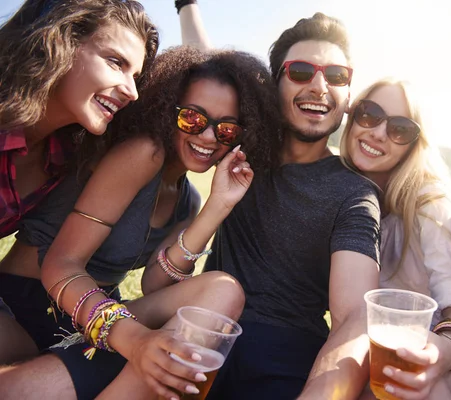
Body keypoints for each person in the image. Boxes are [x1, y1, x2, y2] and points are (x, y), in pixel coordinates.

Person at [0, 47, 282, 400]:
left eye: (225, 129)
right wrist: (134, 340)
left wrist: (217, 205)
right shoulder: (144, 153)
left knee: (222, 290)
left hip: (95, 316)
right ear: (167, 111)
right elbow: (60, 264)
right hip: (28, 303)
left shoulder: (187, 199)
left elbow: (154, 283)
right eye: (193, 119)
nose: (209, 137)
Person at [177, 3, 381, 399]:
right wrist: (186, 5)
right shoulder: (244, 145)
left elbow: (354, 317)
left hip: (285, 358)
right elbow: (209, 61)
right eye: (302, 72)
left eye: (337, 76)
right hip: (203, 332)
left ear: (348, 94)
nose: (320, 87)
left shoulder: (355, 193)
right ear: (274, 85)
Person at [0, 0, 158, 366]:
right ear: (61, 42)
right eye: (117, 62)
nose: (131, 91)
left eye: (136, 76)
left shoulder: (63, 154)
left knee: (29, 355)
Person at [339, 78, 451, 399]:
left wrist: (438, 354)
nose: (378, 133)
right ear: (351, 116)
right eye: (369, 114)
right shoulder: (341, 194)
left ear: (415, 144)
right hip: (379, 348)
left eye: (400, 129)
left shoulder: (428, 200)